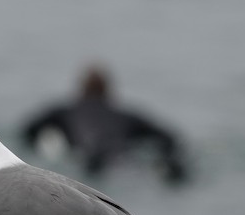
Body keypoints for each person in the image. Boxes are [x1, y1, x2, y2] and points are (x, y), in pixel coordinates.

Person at [22, 65, 190, 185]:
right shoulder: (127, 116)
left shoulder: (64, 112)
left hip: (89, 158)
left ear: (80, 90)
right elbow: (168, 138)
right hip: (122, 158)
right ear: (109, 91)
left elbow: (28, 130)